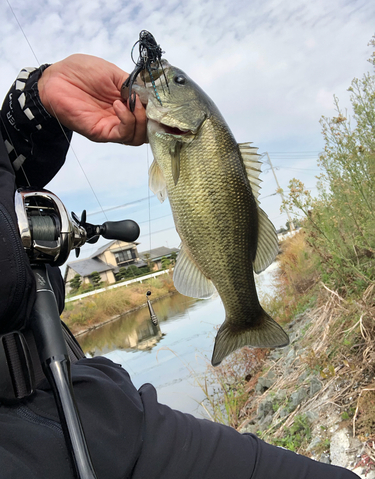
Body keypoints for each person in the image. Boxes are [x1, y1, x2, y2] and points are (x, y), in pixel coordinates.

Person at [0, 55, 360, 479]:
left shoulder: (187, 135)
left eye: (175, 81)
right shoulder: (187, 135)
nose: (164, 79)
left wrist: (36, 105)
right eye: (174, 80)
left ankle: (245, 315)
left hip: (93, 401)